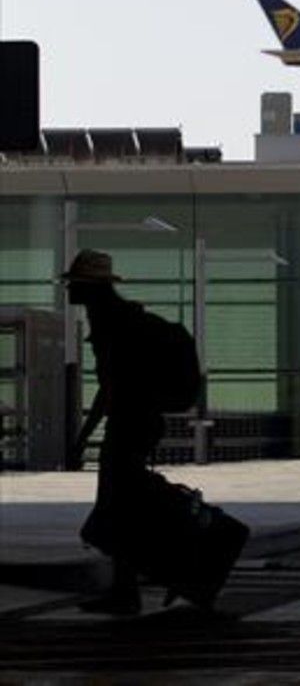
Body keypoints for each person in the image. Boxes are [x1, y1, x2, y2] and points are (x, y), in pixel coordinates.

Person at [64, 249, 165, 615]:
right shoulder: (121, 318)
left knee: (118, 505)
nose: (68, 290)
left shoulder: (110, 325)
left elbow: (109, 390)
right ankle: (125, 588)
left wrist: (82, 438)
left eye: (73, 283)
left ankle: (126, 592)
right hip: (141, 423)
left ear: (90, 287)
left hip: (129, 425)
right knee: (122, 505)